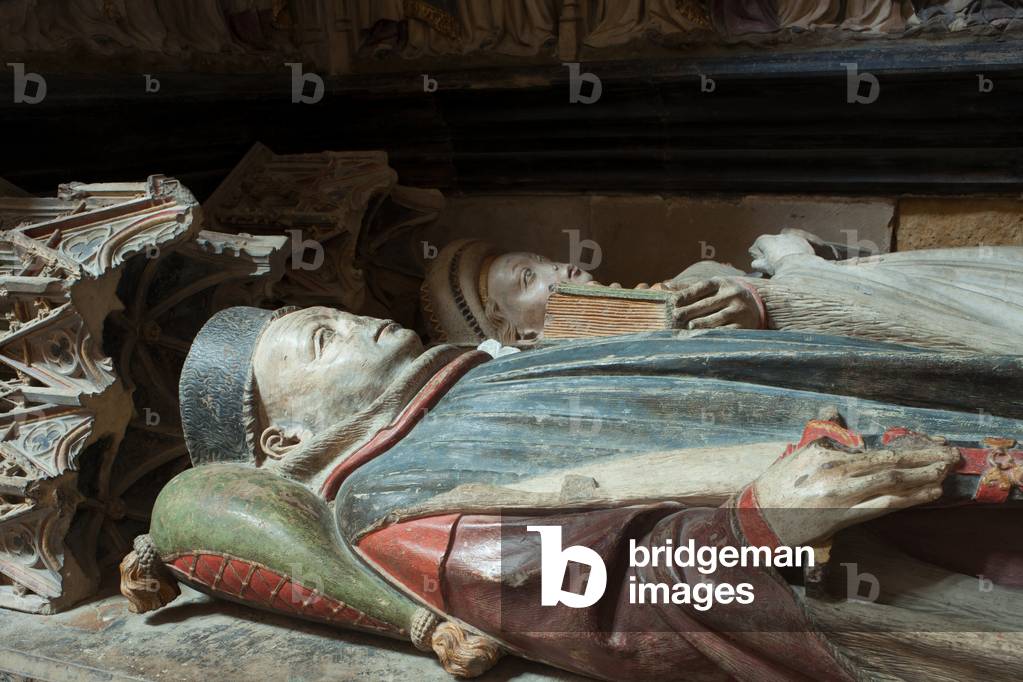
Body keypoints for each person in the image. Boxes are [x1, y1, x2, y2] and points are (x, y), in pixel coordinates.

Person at [127, 304, 1023, 680]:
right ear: (285, 442)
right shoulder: (391, 503)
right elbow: (592, 602)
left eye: (333, 309)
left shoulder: (476, 378)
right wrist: (759, 523)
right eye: (321, 342)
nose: (355, 320)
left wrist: (737, 311)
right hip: (907, 547)